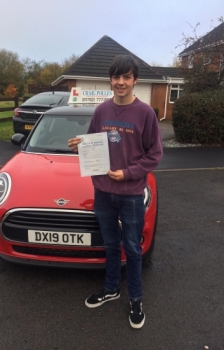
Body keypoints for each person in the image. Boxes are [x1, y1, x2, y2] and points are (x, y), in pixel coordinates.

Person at [68, 54, 163, 329]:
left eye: (126, 77)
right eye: (116, 77)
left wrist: (128, 173)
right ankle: (111, 289)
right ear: (110, 80)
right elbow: (91, 142)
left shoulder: (145, 113)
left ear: (135, 80)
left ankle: (136, 298)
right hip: (103, 191)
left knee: (132, 248)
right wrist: (79, 145)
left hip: (132, 193)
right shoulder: (101, 111)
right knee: (110, 244)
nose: (120, 82)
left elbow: (154, 155)